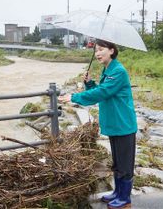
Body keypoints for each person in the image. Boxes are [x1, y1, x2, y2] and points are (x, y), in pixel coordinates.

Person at [59, 39, 137, 209]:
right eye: (96, 51)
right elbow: (103, 91)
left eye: (101, 49)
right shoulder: (108, 69)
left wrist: (74, 97)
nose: (97, 53)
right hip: (114, 125)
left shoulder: (118, 71)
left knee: (124, 164)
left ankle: (125, 198)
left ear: (112, 50)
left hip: (124, 125)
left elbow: (103, 92)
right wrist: (89, 83)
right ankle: (117, 193)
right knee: (117, 163)